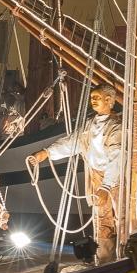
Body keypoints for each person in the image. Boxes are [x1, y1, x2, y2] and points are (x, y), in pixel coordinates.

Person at [28, 82, 124, 262]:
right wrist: (46, 153)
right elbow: (73, 142)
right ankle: (105, 260)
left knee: (122, 218)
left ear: (109, 100)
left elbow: (116, 158)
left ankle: (127, 258)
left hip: (114, 180)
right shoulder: (90, 124)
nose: (93, 100)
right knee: (102, 222)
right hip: (96, 177)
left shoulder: (116, 128)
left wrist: (106, 186)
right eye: (92, 97)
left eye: (97, 97)